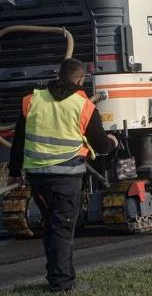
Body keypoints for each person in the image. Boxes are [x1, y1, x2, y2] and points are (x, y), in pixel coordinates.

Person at [8, 58, 117, 292]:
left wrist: (14, 172)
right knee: (62, 229)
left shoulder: (32, 100)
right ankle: (62, 283)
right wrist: (113, 142)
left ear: (58, 75)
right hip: (66, 178)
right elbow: (101, 144)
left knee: (52, 226)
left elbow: (18, 141)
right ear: (80, 80)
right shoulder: (84, 106)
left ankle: (60, 277)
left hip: (37, 177)